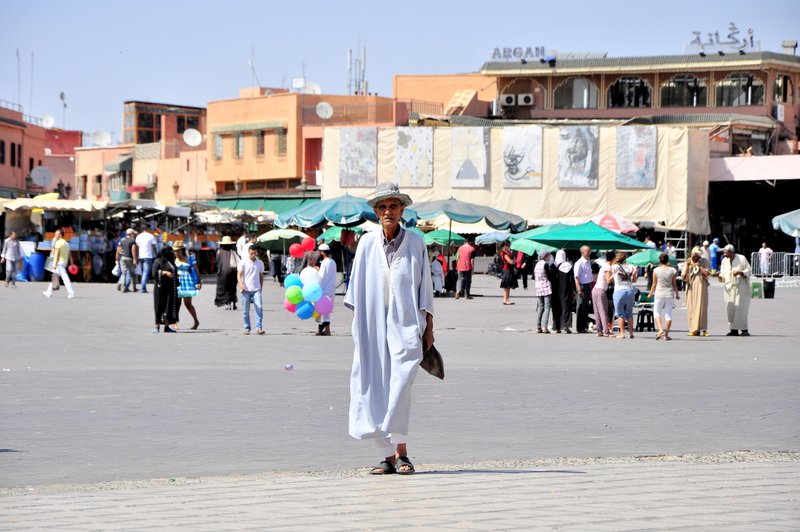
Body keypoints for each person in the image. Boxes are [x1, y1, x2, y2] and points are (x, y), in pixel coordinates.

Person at [345, 182, 434, 476]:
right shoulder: (366, 244)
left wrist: (429, 327)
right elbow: (356, 289)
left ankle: (402, 451)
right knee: (371, 386)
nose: (388, 211)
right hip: (372, 325)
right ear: (375, 211)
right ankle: (387, 455)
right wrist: (360, 328)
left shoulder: (417, 243)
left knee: (400, 387)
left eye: (393, 206)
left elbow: (425, 289)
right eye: (382, 207)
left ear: (402, 210)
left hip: (406, 324)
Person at [717, 244, 751, 336]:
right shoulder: (724, 261)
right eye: (724, 252)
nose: (724, 254)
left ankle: (744, 330)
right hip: (729, 288)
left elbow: (748, 270)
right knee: (730, 309)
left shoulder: (742, 258)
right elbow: (723, 274)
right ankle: (733, 330)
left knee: (740, 308)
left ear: (732, 252)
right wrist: (719, 276)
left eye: (726, 252)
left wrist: (740, 272)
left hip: (741, 288)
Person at [647, 253, 680, 341]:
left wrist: (650, 294)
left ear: (659, 260)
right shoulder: (672, 270)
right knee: (668, 314)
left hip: (659, 293)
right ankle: (666, 335)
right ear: (667, 260)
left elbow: (654, 284)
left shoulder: (656, 270)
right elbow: (674, 284)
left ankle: (660, 329)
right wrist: (677, 294)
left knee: (657, 312)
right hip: (669, 293)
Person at [608, 252, 637, 339]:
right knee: (629, 313)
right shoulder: (631, 266)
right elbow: (634, 280)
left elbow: (609, 279)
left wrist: (615, 262)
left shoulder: (614, 267)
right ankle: (631, 333)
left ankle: (622, 333)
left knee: (620, 313)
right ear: (625, 258)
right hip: (630, 291)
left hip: (619, 291)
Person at [173, 241, 201, 330]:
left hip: (188, 283)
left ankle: (196, 321)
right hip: (177, 283)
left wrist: (199, 281)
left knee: (187, 304)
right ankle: (175, 322)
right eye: (174, 251)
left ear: (182, 250)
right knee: (176, 303)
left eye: (177, 251)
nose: (176, 253)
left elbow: (196, 270)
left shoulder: (190, 259)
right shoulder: (173, 259)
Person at [683, 246, 711, 337]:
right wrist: (688, 266)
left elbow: (707, 274)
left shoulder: (704, 261)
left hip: (701, 287)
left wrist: (699, 266)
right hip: (691, 287)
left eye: (697, 255)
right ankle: (693, 329)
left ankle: (703, 329)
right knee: (691, 308)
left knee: (701, 307)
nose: (694, 257)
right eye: (693, 255)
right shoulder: (688, 261)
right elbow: (683, 276)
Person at [237, 245, 265, 335]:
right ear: (248, 252)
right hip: (245, 289)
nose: (253, 255)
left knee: (259, 308)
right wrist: (241, 284)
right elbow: (239, 274)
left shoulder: (260, 263)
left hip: (256, 289)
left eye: (254, 253)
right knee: (245, 310)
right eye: (251, 253)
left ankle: (259, 328)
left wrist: (261, 287)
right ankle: (247, 328)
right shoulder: (243, 262)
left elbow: (261, 276)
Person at [151, 246, 179, 333]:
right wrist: (165, 272)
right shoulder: (158, 261)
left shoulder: (171, 262)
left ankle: (167, 327)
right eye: (171, 252)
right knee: (159, 306)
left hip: (170, 288)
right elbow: (153, 273)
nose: (172, 253)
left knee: (168, 306)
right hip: (160, 288)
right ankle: (157, 326)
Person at [43, 229, 75, 299]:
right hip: (64, 263)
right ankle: (48, 292)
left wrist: (54, 264)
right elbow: (70, 254)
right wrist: (72, 264)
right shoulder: (66, 243)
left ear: (60, 235)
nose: (55, 235)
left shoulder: (58, 243)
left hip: (59, 263)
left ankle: (71, 293)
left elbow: (56, 254)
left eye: (56, 234)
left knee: (65, 278)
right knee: (54, 277)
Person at [592, 251, 615, 337]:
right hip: (601, 290)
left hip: (595, 290)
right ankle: (606, 331)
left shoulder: (604, 266)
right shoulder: (608, 267)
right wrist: (614, 274)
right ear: (613, 258)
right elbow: (608, 280)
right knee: (603, 311)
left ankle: (599, 330)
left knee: (597, 311)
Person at [215, 236, 240, 310]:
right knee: (233, 287)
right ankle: (234, 304)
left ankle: (228, 303)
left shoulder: (219, 252)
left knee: (226, 288)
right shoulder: (233, 252)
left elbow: (218, 262)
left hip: (223, 273)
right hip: (234, 272)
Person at [316, 243, 336, 336]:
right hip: (331, 288)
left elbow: (321, 277)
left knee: (322, 309)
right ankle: (326, 329)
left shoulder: (324, 262)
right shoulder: (333, 262)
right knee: (327, 310)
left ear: (322, 252)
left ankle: (323, 329)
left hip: (324, 288)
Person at [573, 245, 593, 333]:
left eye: (589, 251)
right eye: (587, 251)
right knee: (580, 307)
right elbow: (576, 277)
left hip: (588, 285)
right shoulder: (579, 263)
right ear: (582, 252)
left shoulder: (588, 262)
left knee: (586, 307)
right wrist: (579, 290)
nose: (589, 253)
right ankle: (579, 327)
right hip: (582, 286)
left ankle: (584, 326)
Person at [554, 250, 575, 333]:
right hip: (566, 290)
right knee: (566, 308)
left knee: (557, 308)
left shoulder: (554, 266)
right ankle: (566, 325)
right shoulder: (568, 266)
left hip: (556, 291)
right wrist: (573, 290)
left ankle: (557, 327)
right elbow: (571, 280)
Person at [533, 250, 552, 333]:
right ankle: (545, 327)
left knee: (540, 307)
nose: (550, 257)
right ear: (545, 256)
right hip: (546, 287)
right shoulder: (545, 264)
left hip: (538, 287)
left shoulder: (537, 264)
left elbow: (534, 276)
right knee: (547, 307)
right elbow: (549, 276)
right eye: (549, 255)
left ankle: (538, 327)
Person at [135, 226, 157, 294]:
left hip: (140, 256)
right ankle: (142, 288)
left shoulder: (138, 236)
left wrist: (137, 256)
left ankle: (143, 288)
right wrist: (156, 254)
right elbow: (154, 247)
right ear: (147, 229)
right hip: (148, 256)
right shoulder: (151, 236)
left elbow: (137, 247)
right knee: (145, 272)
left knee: (143, 272)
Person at [116, 228, 138, 293]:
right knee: (131, 273)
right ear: (131, 234)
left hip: (122, 258)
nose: (134, 235)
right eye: (133, 233)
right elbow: (133, 250)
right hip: (129, 258)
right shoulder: (132, 241)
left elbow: (118, 250)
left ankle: (121, 285)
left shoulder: (122, 240)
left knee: (124, 273)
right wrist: (135, 259)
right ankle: (129, 287)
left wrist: (117, 259)